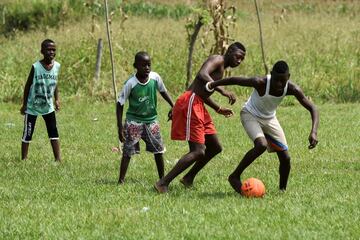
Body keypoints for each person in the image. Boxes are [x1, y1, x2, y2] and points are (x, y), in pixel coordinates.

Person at [207, 60, 319, 194]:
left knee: (286, 158)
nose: (279, 84)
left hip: (270, 119)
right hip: (250, 114)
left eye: (282, 81)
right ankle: (234, 176)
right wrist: (213, 84)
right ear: (271, 74)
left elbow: (313, 108)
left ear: (288, 77)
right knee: (261, 145)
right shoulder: (260, 82)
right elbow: (237, 80)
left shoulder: (292, 88)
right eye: (276, 80)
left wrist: (313, 132)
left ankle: (282, 190)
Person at [155, 42, 247, 193]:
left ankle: (188, 178)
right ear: (229, 51)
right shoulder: (217, 59)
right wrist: (222, 89)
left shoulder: (222, 68)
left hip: (198, 104)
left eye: (242, 59)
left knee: (215, 147)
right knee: (198, 151)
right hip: (191, 102)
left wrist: (218, 108)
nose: (239, 61)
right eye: (238, 56)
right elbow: (202, 74)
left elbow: (204, 91)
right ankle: (162, 183)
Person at [116, 51, 174, 184]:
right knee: (128, 151)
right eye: (143, 65)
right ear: (135, 66)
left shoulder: (155, 78)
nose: (147, 68)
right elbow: (119, 104)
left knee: (159, 150)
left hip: (151, 121)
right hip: (133, 122)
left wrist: (174, 105)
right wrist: (120, 127)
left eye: (149, 65)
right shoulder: (130, 83)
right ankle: (121, 180)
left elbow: (163, 91)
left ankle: (162, 179)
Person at [20, 39, 61, 162]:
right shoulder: (36, 67)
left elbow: (55, 84)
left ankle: (58, 159)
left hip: (48, 106)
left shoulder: (57, 66)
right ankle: (24, 159)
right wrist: (24, 104)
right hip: (33, 106)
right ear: (42, 51)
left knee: (53, 131)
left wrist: (57, 99)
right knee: (28, 132)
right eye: (48, 50)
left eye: (53, 50)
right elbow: (28, 86)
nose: (51, 52)